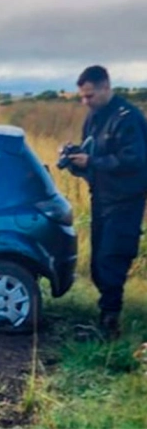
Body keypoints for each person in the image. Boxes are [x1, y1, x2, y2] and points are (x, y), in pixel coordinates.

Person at [65, 65, 147, 339]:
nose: (85, 101)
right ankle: (105, 315)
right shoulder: (94, 118)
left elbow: (134, 161)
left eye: (90, 96)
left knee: (112, 259)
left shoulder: (127, 118)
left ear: (106, 88)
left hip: (125, 200)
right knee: (99, 263)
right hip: (101, 198)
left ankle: (110, 326)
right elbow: (91, 157)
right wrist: (74, 160)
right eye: (82, 97)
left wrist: (93, 162)